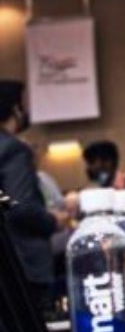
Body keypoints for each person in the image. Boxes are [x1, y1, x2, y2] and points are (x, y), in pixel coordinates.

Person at [0, 80, 65, 314]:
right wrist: (52, 220)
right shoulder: (14, 149)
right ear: (16, 109)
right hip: (24, 266)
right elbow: (19, 206)